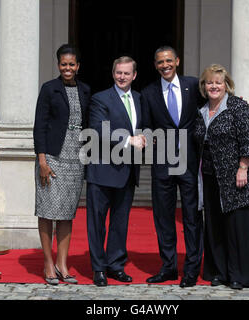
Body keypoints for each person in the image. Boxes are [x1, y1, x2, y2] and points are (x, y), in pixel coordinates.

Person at [194, 64, 249, 290]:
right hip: (210, 176)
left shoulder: (237, 107)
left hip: (235, 177)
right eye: (209, 82)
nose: (214, 86)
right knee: (215, 226)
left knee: (236, 227)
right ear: (204, 86)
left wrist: (243, 167)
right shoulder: (202, 109)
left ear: (226, 85)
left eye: (218, 82)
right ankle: (218, 272)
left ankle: (238, 275)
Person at [141, 46, 204, 288]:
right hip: (163, 163)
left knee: (191, 217)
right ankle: (168, 267)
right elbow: (146, 126)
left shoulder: (193, 85)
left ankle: (191, 269)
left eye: (169, 60)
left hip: (189, 162)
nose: (165, 65)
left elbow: (213, 101)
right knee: (164, 218)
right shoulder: (149, 92)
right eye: (160, 62)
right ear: (155, 65)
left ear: (177, 61)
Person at [33, 44, 91, 285]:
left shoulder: (86, 90)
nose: (67, 68)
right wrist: (42, 160)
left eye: (72, 64)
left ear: (78, 66)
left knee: (67, 214)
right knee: (47, 212)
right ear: (58, 65)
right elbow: (40, 126)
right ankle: (48, 263)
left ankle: (62, 264)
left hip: (76, 159)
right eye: (63, 64)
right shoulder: (49, 89)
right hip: (53, 157)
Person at [86, 56, 146, 286]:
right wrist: (129, 140)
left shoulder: (139, 98)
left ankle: (115, 265)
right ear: (113, 74)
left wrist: (144, 138)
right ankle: (99, 268)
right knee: (97, 223)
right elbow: (99, 130)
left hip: (128, 171)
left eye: (126, 73)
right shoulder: (100, 98)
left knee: (120, 223)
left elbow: (142, 126)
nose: (122, 77)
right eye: (118, 72)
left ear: (134, 75)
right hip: (102, 170)